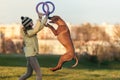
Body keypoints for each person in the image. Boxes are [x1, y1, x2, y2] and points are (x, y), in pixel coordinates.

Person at [19, 13, 48, 80]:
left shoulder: (30, 31)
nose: (32, 22)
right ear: (28, 24)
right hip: (31, 55)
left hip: (30, 55)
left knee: (28, 74)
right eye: (31, 22)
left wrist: (46, 16)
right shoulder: (28, 33)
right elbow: (36, 29)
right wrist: (39, 19)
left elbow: (40, 26)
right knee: (39, 74)